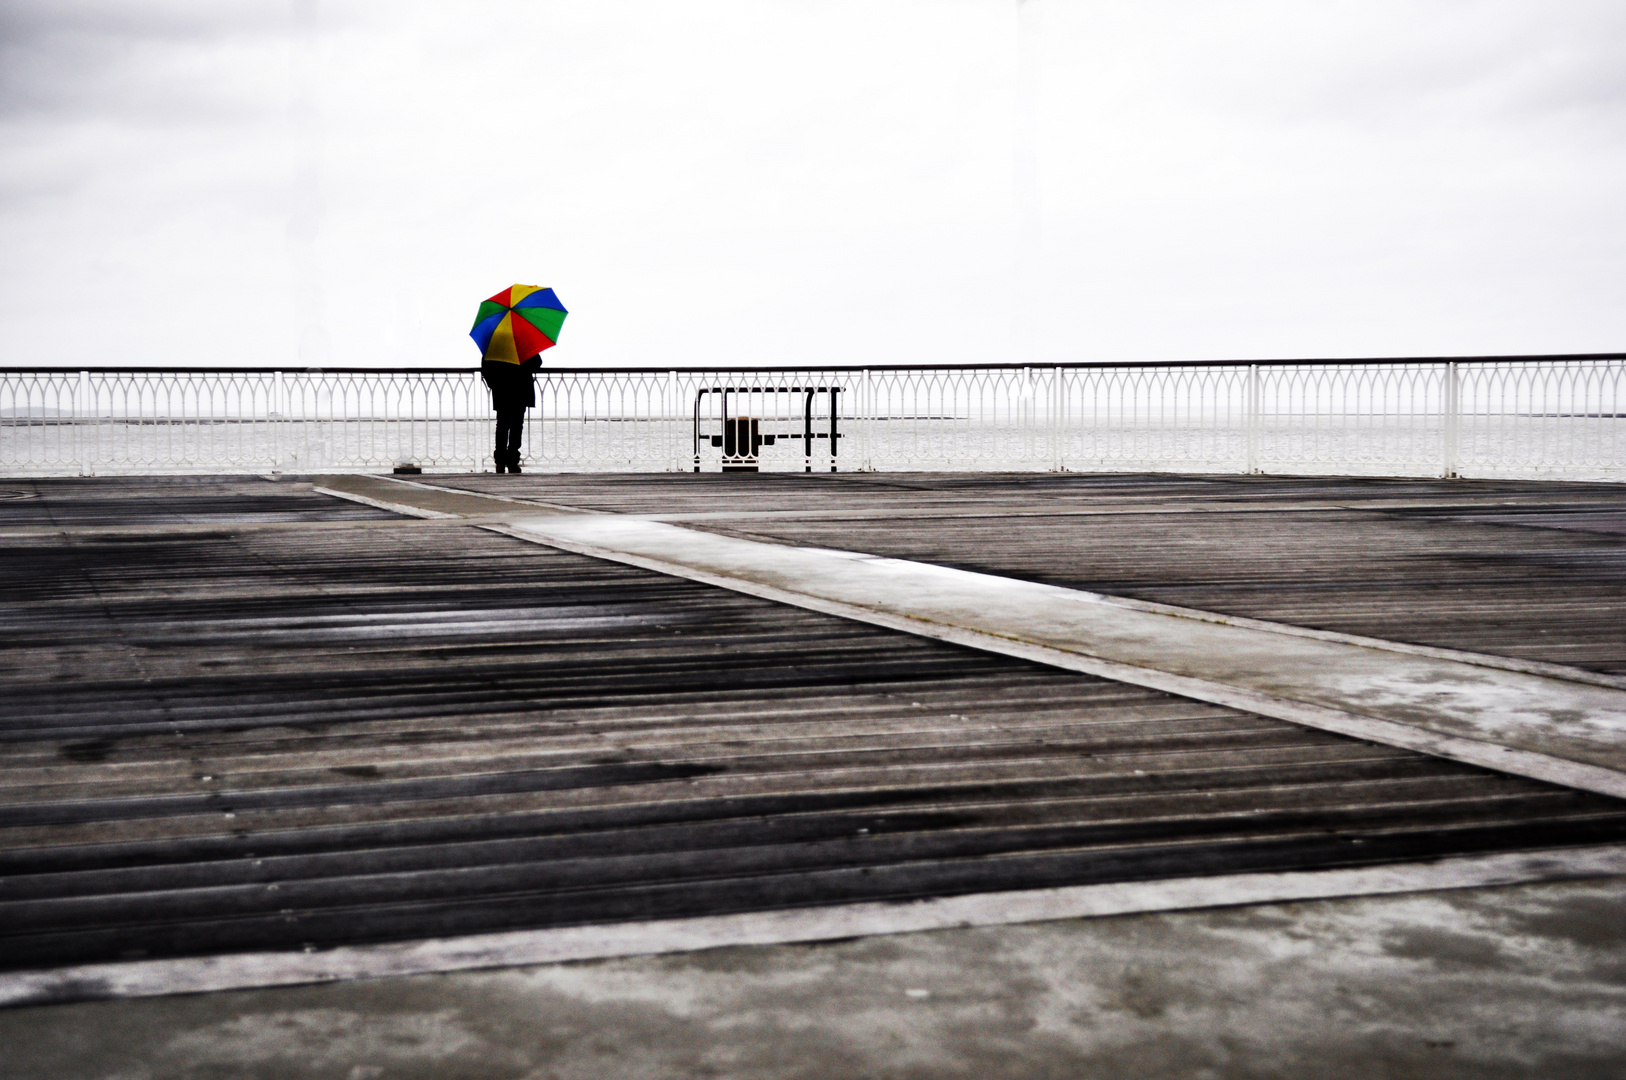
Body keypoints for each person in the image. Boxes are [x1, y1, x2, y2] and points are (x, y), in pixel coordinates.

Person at [481, 353, 542, 473]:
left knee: (502, 426)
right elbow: (537, 363)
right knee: (516, 426)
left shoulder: (494, 347)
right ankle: (512, 461)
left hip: (502, 390)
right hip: (521, 389)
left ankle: (500, 461)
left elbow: (486, 367)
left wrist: (493, 383)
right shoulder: (524, 344)